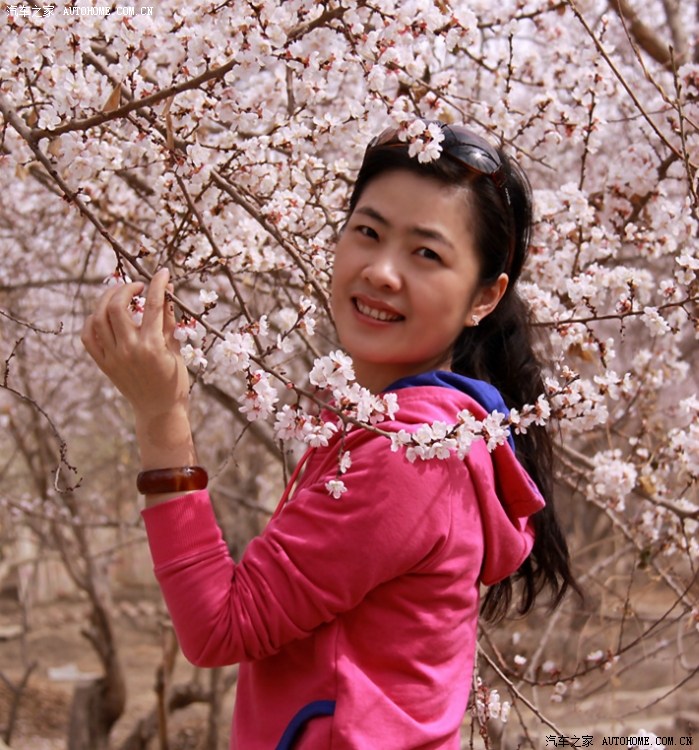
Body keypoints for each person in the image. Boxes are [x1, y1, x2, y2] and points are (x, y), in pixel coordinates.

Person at [81, 119, 578, 749]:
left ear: (484, 298)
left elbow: (219, 627)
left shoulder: (413, 457)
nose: (382, 272)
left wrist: (161, 419)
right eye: (367, 233)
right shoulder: (401, 426)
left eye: (426, 254)